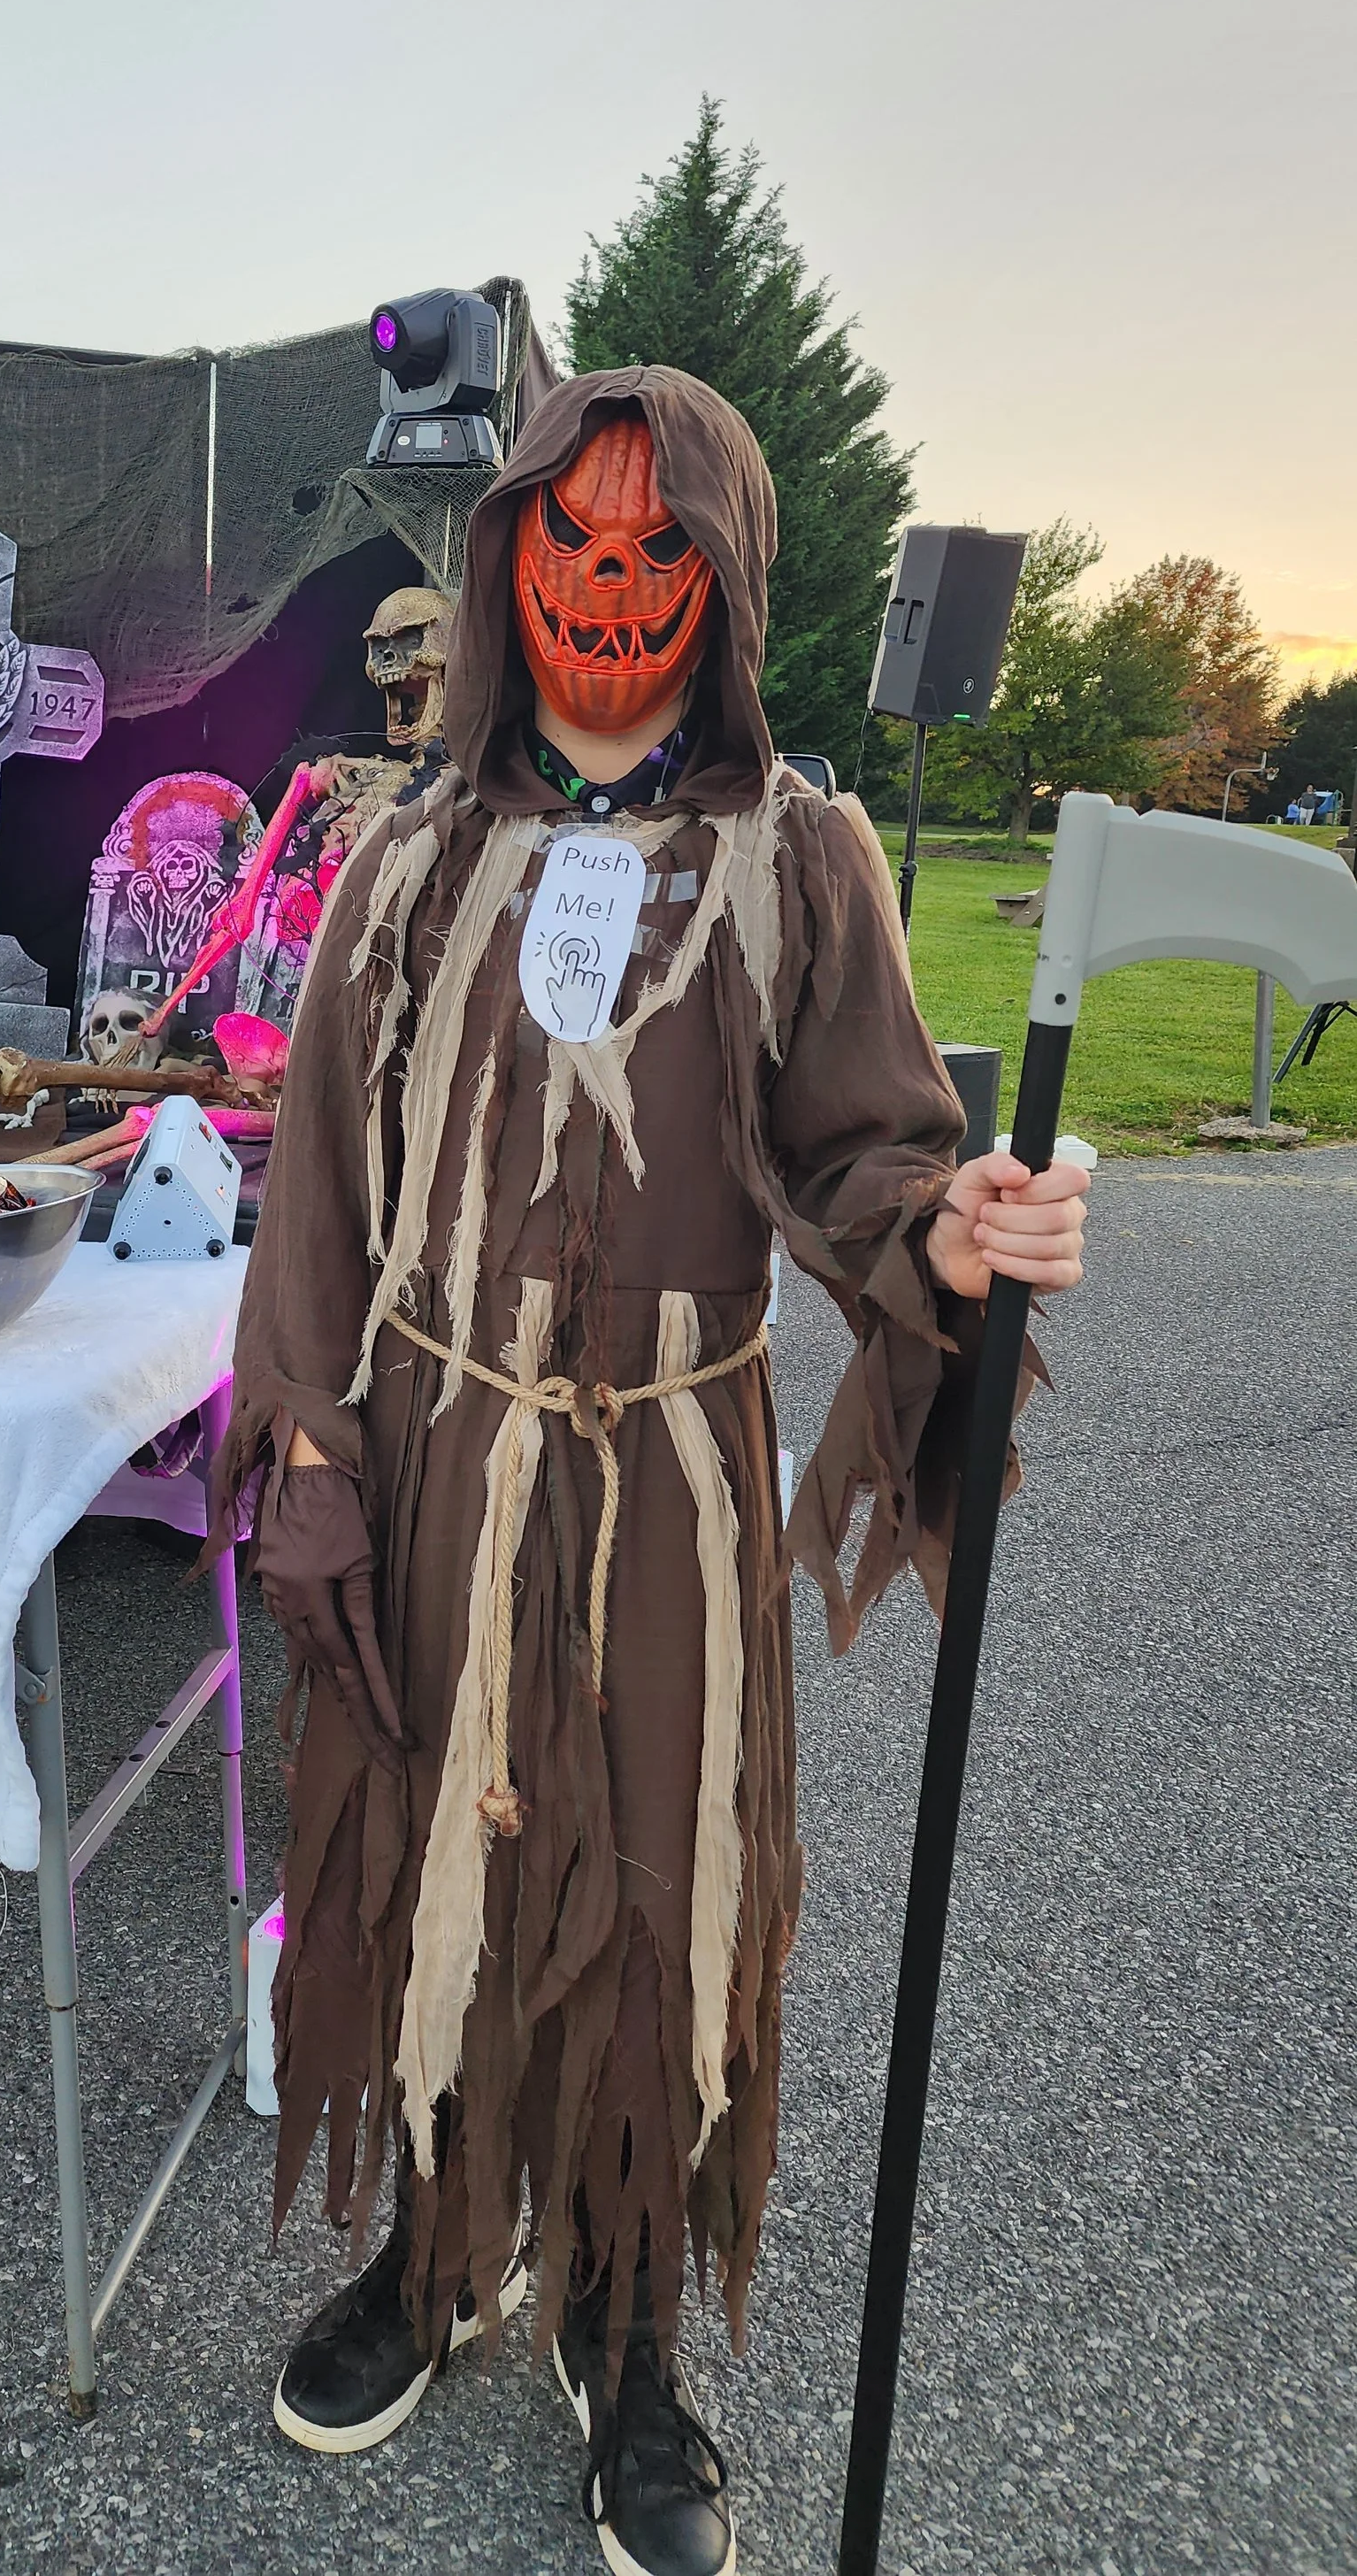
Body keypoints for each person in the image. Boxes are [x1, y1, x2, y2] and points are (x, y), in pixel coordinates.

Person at [221, 369, 1089, 2576]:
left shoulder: (797, 857)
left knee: (654, 1879)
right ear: (508, 560)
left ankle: (624, 2323)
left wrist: (950, 1234)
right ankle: (440, 2246)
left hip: (671, 1472)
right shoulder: (407, 855)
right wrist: (307, 1435)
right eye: (573, 546)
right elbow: (317, 1178)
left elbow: (867, 1145)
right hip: (436, 1438)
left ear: (721, 577)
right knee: (425, 1834)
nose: (609, 588)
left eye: (655, 551)